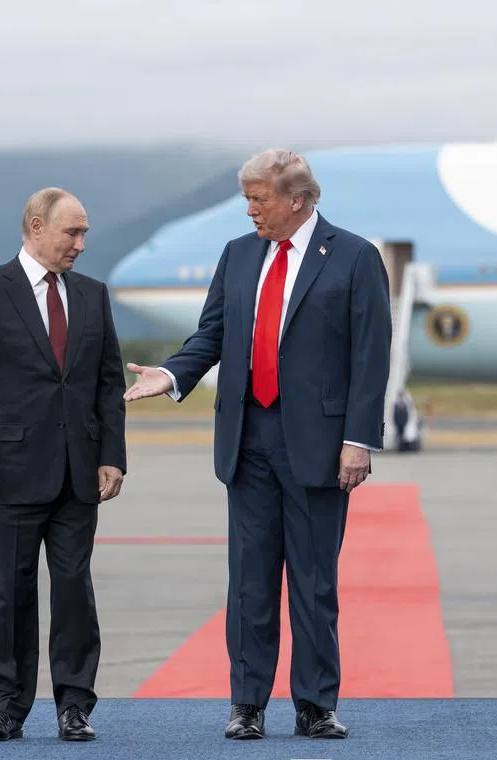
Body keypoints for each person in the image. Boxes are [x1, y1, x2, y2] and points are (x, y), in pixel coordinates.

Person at [124, 149, 393, 740]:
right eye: (246, 198)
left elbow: (371, 356)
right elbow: (212, 335)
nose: (249, 211)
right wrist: (170, 376)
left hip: (321, 444)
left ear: (297, 200)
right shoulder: (238, 255)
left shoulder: (354, 257)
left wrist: (358, 440)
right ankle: (247, 703)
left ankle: (315, 704)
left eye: (258, 199)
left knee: (314, 580)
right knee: (248, 580)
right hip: (247, 439)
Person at [0, 187, 127, 742]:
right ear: (35, 226)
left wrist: (112, 456)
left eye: (85, 232)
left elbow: (108, 383)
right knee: (12, 592)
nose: (81, 244)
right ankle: (9, 705)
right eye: (72, 232)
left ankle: (75, 705)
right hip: (9, 470)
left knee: (74, 589)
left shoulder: (92, 295)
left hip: (79, 473)